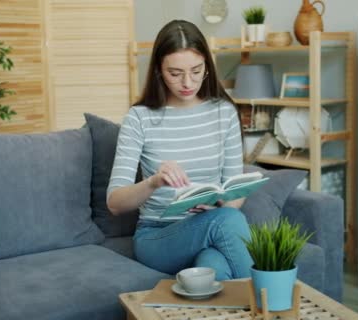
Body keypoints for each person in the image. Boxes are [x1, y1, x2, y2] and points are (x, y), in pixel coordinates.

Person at [106, 20, 253, 280]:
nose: (188, 82)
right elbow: (115, 202)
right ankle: (271, 304)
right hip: (157, 236)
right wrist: (153, 182)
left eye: (196, 71)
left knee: (216, 268)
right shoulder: (139, 118)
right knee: (228, 221)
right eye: (175, 73)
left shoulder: (224, 113)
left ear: (207, 65)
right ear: (159, 71)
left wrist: (218, 209)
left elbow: (234, 193)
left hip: (209, 225)